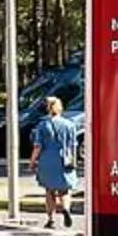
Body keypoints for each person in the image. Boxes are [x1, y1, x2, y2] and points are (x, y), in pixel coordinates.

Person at [31, 94, 80, 227]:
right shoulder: (70, 125)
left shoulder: (43, 125)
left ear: (47, 108)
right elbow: (73, 145)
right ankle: (66, 209)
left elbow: (38, 146)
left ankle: (51, 219)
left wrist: (32, 161)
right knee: (65, 190)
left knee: (49, 190)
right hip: (65, 158)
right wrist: (73, 161)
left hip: (47, 159)